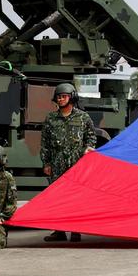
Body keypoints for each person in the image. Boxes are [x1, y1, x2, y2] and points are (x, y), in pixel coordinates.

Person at [40, 82, 97, 242]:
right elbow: (45, 142)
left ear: (71, 97)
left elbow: (91, 136)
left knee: (76, 197)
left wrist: (88, 148)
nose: (60, 99)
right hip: (57, 162)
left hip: (77, 163)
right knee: (57, 197)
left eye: (63, 96)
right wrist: (46, 163)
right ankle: (59, 230)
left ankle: (75, 230)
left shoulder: (83, 117)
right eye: (58, 97)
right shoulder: (51, 118)